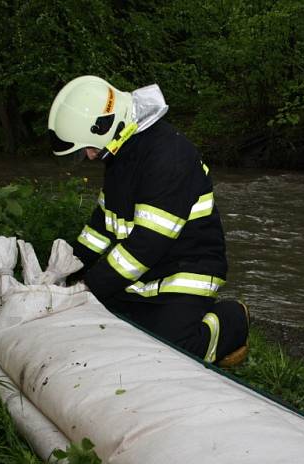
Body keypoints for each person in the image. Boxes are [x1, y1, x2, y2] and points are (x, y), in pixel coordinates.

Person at [47, 75, 249, 367]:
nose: (90, 157)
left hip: (187, 271)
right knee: (106, 328)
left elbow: (147, 245)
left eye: (89, 148)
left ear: (108, 125)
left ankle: (233, 320)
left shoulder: (169, 157)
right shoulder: (120, 154)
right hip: (146, 274)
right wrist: (68, 266)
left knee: (171, 352)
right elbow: (102, 225)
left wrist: (88, 287)